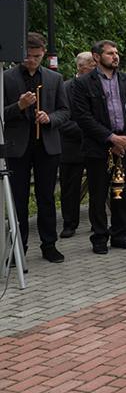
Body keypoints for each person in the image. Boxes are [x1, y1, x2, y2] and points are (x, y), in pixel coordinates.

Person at [2, 33, 70, 263]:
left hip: (47, 145)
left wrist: (49, 118)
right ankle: (17, 248)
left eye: (36, 57)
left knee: (47, 198)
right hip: (17, 147)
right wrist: (19, 106)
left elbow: (65, 111)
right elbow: (1, 114)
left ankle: (49, 245)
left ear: (43, 55)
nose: (31, 61)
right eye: (28, 56)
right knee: (18, 200)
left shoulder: (54, 78)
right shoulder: (6, 78)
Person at [71, 41, 126, 255]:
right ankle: (100, 237)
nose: (115, 56)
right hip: (98, 147)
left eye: (116, 53)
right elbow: (83, 117)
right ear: (96, 56)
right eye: (110, 53)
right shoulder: (83, 83)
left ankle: (120, 234)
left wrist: (124, 140)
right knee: (98, 194)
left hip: (125, 145)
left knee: (123, 191)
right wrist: (111, 139)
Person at [59, 51, 96, 238]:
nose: (96, 69)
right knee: (70, 188)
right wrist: (90, 130)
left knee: (98, 187)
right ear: (81, 68)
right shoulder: (65, 88)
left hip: (95, 145)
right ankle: (69, 223)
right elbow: (62, 119)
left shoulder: (98, 85)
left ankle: (98, 223)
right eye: (92, 66)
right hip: (72, 146)